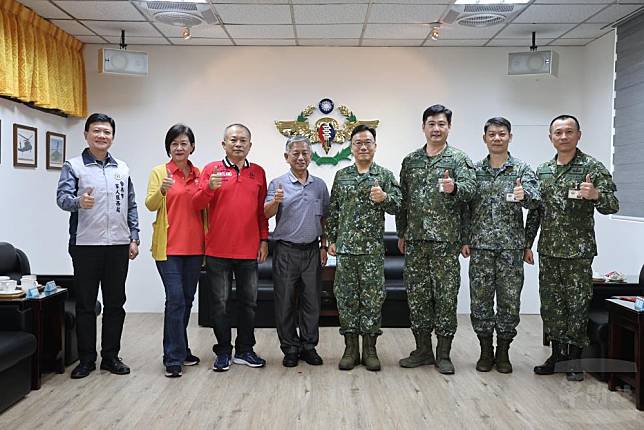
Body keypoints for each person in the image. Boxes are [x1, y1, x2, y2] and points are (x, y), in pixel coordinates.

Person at [526, 114, 619, 381]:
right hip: (549, 250)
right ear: (550, 137)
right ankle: (557, 356)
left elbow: (612, 205)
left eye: (569, 132)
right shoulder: (542, 170)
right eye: (558, 132)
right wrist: (527, 243)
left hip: (578, 251)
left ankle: (576, 359)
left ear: (579, 135)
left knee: (577, 305)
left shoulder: (592, 167)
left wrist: (597, 195)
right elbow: (535, 211)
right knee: (551, 305)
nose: (563, 137)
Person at [56, 113, 140, 379]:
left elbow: (131, 205)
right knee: (86, 304)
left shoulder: (122, 168)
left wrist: (134, 237)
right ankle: (86, 359)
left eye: (107, 132)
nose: (102, 136)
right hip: (85, 245)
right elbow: (62, 198)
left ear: (112, 137)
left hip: (118, 244)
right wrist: (79, 202)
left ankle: (111, 357)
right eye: (97, 131)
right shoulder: (74, 165)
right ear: (87, 135)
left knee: (116, 303)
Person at [396, 104, 476, 374]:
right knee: (417, 296)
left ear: (449, 127)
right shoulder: (410, 161)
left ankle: (443, 353)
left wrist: (455, 188)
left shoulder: (458, 159)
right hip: (416, 241)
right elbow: (403, 201)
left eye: (441, 124)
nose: (436, 128)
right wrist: (402, 232)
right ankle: (422, 350)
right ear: (423, 127)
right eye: (431, 123)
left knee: (445, 297)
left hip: (445, 241)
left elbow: (471, 193)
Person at [460, 117, 540, 373]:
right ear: (484, 138)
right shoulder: (473, 170)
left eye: (502, 134)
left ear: (510, 137)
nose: (497, 138)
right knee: (480, 302)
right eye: (492, 134)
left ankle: (504, 351)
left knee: (509, 302)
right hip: (480, 248)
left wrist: (524, 196)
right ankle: (485, 351)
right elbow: (464, 208)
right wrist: (465, 238)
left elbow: (536, 202)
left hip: (511, 249)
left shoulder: (522, 169)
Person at [193, 123, 269, 372]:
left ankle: (245, 350)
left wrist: (264, 240)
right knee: (221, 304)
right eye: (233, 140)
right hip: (217, 251)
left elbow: (261, 212)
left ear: (250, 145)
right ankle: (223, 351)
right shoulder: (211, 170)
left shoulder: (257, 172)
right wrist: (209, 188)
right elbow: (197, 204)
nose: (238, 144)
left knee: (249, 303)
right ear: (223, 144)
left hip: (249, 251)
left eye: (243, 140)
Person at [326, 124, 401, 371]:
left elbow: (400, 205)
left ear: (375, 146)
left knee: (372, 299)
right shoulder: (342, 175)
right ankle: (350, 348)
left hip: (372, 251)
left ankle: (369, 349)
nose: (363, 147)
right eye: (358, 142)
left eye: (368, 142)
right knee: (346, 299)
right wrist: (331, 240)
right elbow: (333, 209)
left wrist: (385, 199)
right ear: (351, 147)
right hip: (346, 250)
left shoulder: (385, 176)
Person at [264, 136, 330, 368]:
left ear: (311, 156)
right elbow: (265, 214)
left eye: (305, 153)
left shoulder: (319, 185)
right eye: (295, 154)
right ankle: (290, 348)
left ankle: (309, 346)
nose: (301, 157)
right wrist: (276, 202)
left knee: (312, 301)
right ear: (287, 157)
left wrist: (324, 246)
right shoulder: (277, 184)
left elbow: (325, 219)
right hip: (285, 251)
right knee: (284, 302)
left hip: (312, 250)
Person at [145, 124, 205, 378]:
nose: (179, 148)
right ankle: (172, 357)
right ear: (168, 147)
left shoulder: (199, 173)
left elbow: (204, 206)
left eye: (184, 143)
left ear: (192, 147)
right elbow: (150, 205)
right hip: (168, 249)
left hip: (195, 248)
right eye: (174, 144)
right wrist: (162, 191)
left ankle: (182, 349)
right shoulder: (160, 172)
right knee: (176, 299)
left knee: (187, 301)